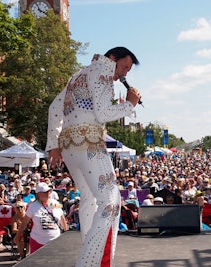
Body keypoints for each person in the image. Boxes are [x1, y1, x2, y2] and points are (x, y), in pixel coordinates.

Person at [46, 47, 141, 267]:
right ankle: (91, 262)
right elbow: (103, 113)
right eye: (124, 67)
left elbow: (54, 108)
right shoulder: (102, 73)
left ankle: (91, 256)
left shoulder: (78, 74)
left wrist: (54, 145)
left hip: (69, 147)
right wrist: (130, 104)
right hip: (88, 143)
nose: (125, 74)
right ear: (112, 59)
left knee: (90, 199)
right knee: (111, 203)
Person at [14, 182, 67, 255]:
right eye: (45, 192)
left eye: (48, 191)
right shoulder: (33, 206)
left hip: (55, 240)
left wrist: (66, 231)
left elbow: (62, 217)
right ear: (38, 194)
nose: (47, 193)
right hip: (38, 241)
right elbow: (24, 223)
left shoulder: (55, 203)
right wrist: (18, 236)